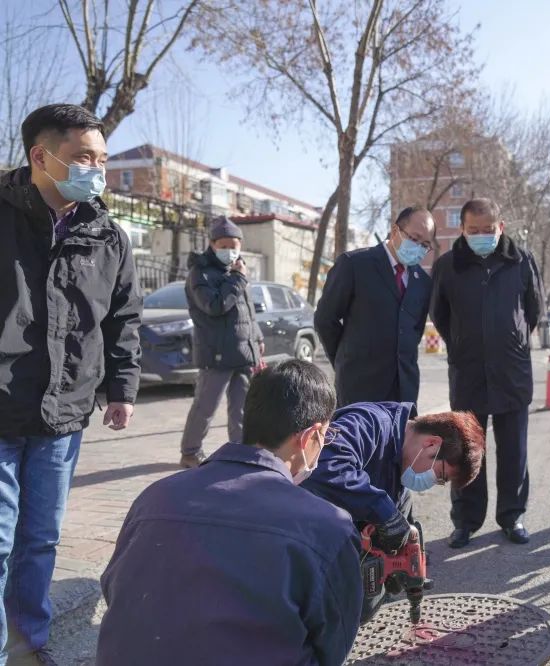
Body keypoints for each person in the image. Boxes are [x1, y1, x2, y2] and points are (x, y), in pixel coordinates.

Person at [98, 360, 362, 666]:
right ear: (310, 437)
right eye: (326, 438)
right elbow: (333, 644)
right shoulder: (327, 525)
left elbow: (115, 590)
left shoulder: (154, 497)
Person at [0, 103, 141, 665]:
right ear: (41, 156)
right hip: (2, 409)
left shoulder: (107, 236)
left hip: (64, 415)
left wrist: (123, 390)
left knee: (40, 539)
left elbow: (123, 318)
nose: (96, 170)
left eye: (103, 159)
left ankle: (29, 641)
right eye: (84, 157)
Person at [301, 402, 485, 618]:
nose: (435, 483)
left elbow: (400, 538)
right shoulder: (369, 424)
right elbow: (324, 466)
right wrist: (383, 512)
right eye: (441, 477)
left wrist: (396, 568)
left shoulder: (400, 487)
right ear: (432, 444)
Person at [430, 198, 543, 548]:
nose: (481, 236)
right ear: (462, 230)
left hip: (511, 371)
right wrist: (463, 344)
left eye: (487, 230)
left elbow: (534, 309)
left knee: (514, 451)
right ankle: (465, 520)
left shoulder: (520, 261)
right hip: (468, 373)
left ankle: (512, 516)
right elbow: (440, 315)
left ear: (500, 227)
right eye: (473, 230)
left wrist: (512, 342)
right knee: (467, 450)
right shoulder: (449, 265)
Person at [316, 206, 435, 407]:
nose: (419, 248)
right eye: (414, 239)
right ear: (396, 230)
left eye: (425, 244)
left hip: (404, 392)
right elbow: (325, 319)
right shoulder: (354, 265)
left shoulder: (422, 281)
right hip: (359, 389)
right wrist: (345, 360)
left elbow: (414, 330)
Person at [178, 216, 264, 468]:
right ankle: (190, 452)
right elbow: (215, 306)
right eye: (224, 246)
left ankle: (240, 452)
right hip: (216, 353)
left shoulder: (238, 270)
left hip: (243, 352)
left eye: (234, 245)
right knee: (205, 407)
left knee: (242, 408)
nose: (230, 251)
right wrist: (237, 279)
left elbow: (247, 311)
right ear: (212, 244)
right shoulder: (201, 272)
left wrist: (256, 338)